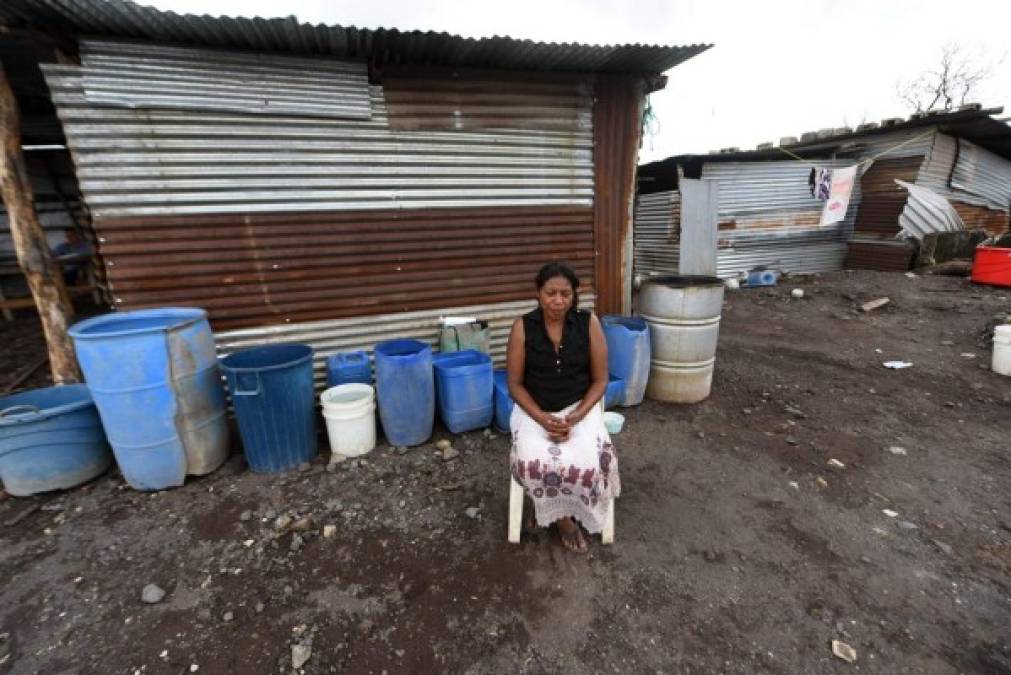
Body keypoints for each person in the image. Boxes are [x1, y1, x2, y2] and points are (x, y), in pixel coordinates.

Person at [506, 261, 620, 552]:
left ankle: (552, 507)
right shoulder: (522, 327)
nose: (558, 300)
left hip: (578, 408)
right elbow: (515, 385)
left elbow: (601, 379)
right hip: (535, 410)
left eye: (565, 294)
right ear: (538, 293)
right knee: (531, 461)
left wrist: (576, 416)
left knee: (592, 463)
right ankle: (562, 519)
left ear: (574, 296)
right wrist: (543, 419)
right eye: (550, 293)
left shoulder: (588, 322)